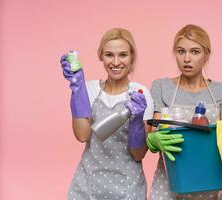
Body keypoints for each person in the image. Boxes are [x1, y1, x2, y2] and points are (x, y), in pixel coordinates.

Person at [147, 24, 222, 200]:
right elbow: (154, 133)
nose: (187, 59)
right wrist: (153, 139)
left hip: (210, 183)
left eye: (195, 52)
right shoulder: (161, 87)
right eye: (181, 51)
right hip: (171, 184)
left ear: (206, 55)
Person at [60, 28, 153, 200]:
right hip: (87, 184)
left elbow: (138, 154)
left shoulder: (140, 93)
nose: (116, 62)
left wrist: (137, 120)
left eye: (123, 55)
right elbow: (82, 135)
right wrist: (78, 90)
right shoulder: (89, 89)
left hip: (127, 188)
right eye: (109, 55)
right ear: (101, 56)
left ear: (132, 57)